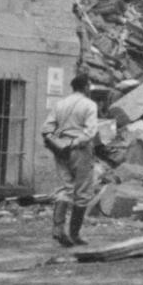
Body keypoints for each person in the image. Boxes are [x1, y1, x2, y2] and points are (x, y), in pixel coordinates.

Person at [41, 74, 99, 246]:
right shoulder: (89, 105)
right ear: (86, 87)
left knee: (66, 188)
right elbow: (90, 133)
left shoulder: (60, 104)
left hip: (60, 149)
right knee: (82, 192)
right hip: (80, 150)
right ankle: (75, 234)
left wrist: (58, 143)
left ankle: (58, 229)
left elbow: (46, 129)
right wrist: (74, 142)